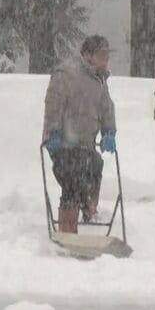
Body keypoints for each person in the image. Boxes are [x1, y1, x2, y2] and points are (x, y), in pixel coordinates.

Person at [41, 35, 117, 234]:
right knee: (73, 177)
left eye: (107, 56)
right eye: (102, 55)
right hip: (63, 145)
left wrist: (109, 132)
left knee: (94, 165)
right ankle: (68, 228)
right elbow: (53, 105)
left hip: (86, 145)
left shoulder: (101, 80)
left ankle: (90, 212)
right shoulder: (66, 74)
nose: (106, 60)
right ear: (87, 55)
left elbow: (106, 108)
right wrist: (52, 133)